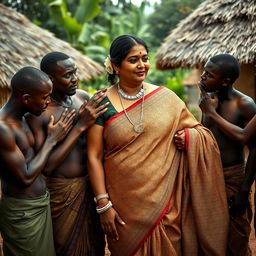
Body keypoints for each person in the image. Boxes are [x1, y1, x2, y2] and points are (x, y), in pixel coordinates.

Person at [86, 34, 229, 256]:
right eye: (133, 60)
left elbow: (201, 133)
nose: (142, 65)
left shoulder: (167, 98)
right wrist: (104, 205)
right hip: (123, 204)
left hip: (167, 205)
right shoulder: (101, 103)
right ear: (115, 66)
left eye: (145, 58)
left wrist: (190, 138)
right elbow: (93, 156)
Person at [26, 52, 108, 256]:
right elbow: (47, 167)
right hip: (61, 194)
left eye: (75, 72)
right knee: (66, 248)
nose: (75, 79)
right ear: (50, 79)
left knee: (95, 246)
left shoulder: (81, 98)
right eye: (68, 75)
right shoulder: (39, 114)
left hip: (90, 188)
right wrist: (79, 126)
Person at [176, 54, 256, 255]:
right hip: (206, 174)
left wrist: (244, 190)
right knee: (207, 233)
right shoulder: (208, 99)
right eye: (204, 72)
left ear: (225, 81)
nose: (202, 77)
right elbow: (206, 135)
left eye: (209, 75)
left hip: (232, 178)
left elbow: (249, 143)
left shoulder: (244, 105)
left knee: (235, 237)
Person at [0, 67, 75, 256]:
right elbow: (24, 178)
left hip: (39, 205)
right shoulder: (3, 129)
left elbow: (38, 163)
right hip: (23, 213)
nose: (48, 102)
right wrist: (52, 140)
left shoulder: (23, 118)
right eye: (45, 97)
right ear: (26, 99)